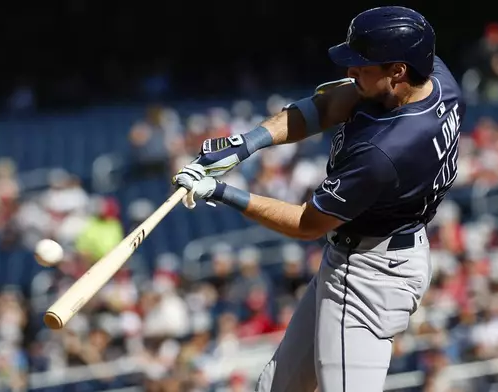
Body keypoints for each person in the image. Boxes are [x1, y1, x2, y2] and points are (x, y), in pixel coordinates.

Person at [172, 6, 465, 392]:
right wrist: (243, 145)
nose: (350, 71)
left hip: (367, 276)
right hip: (377, 252)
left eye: (364, 65)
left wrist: (221, 191)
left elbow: (307, 223)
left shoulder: (385, 152)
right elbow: (330, 102)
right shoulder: (433, 77)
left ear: (398, 70)